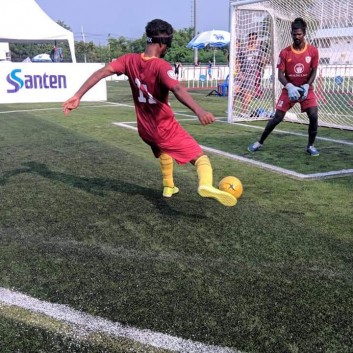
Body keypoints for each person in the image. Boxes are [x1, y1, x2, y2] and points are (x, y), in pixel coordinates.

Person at [62, 19, 237, 207]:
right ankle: (206, 185)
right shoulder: (161, 66)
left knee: (163, 150)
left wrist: (78, 96)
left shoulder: (128, 60)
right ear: (163, 43)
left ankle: (169, 186)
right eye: (168, 44)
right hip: (163, 127)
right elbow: (177, 89)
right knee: (200, 157)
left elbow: (102, 72)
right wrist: (199, 110)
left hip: (145, 130)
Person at [248, 18, 320, 156]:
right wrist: (289, 86)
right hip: (289, 90)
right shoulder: (285, 53)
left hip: (306, 89)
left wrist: (307, 85)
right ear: (291, 33)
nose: (297, 36)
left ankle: (310, 146)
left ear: (304, 33)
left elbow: (314, 71)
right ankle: (260, 142)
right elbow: (280, 75)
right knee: (277, 117)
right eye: (294, 34)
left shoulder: (313, 51)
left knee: (313, 115)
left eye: (299, 34)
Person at [235, 32, 267, 115]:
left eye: (254, 39)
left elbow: (263, 60)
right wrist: (239, 72)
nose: (252, 40)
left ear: (256, 39)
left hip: (252, 74)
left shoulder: (259, 49)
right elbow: (237, 61)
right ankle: (231, 108)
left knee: (247, 92)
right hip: (242, 72)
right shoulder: (243, 48)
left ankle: (244, 111)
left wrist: (264, 61)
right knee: (235, 91)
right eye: (251, 38)